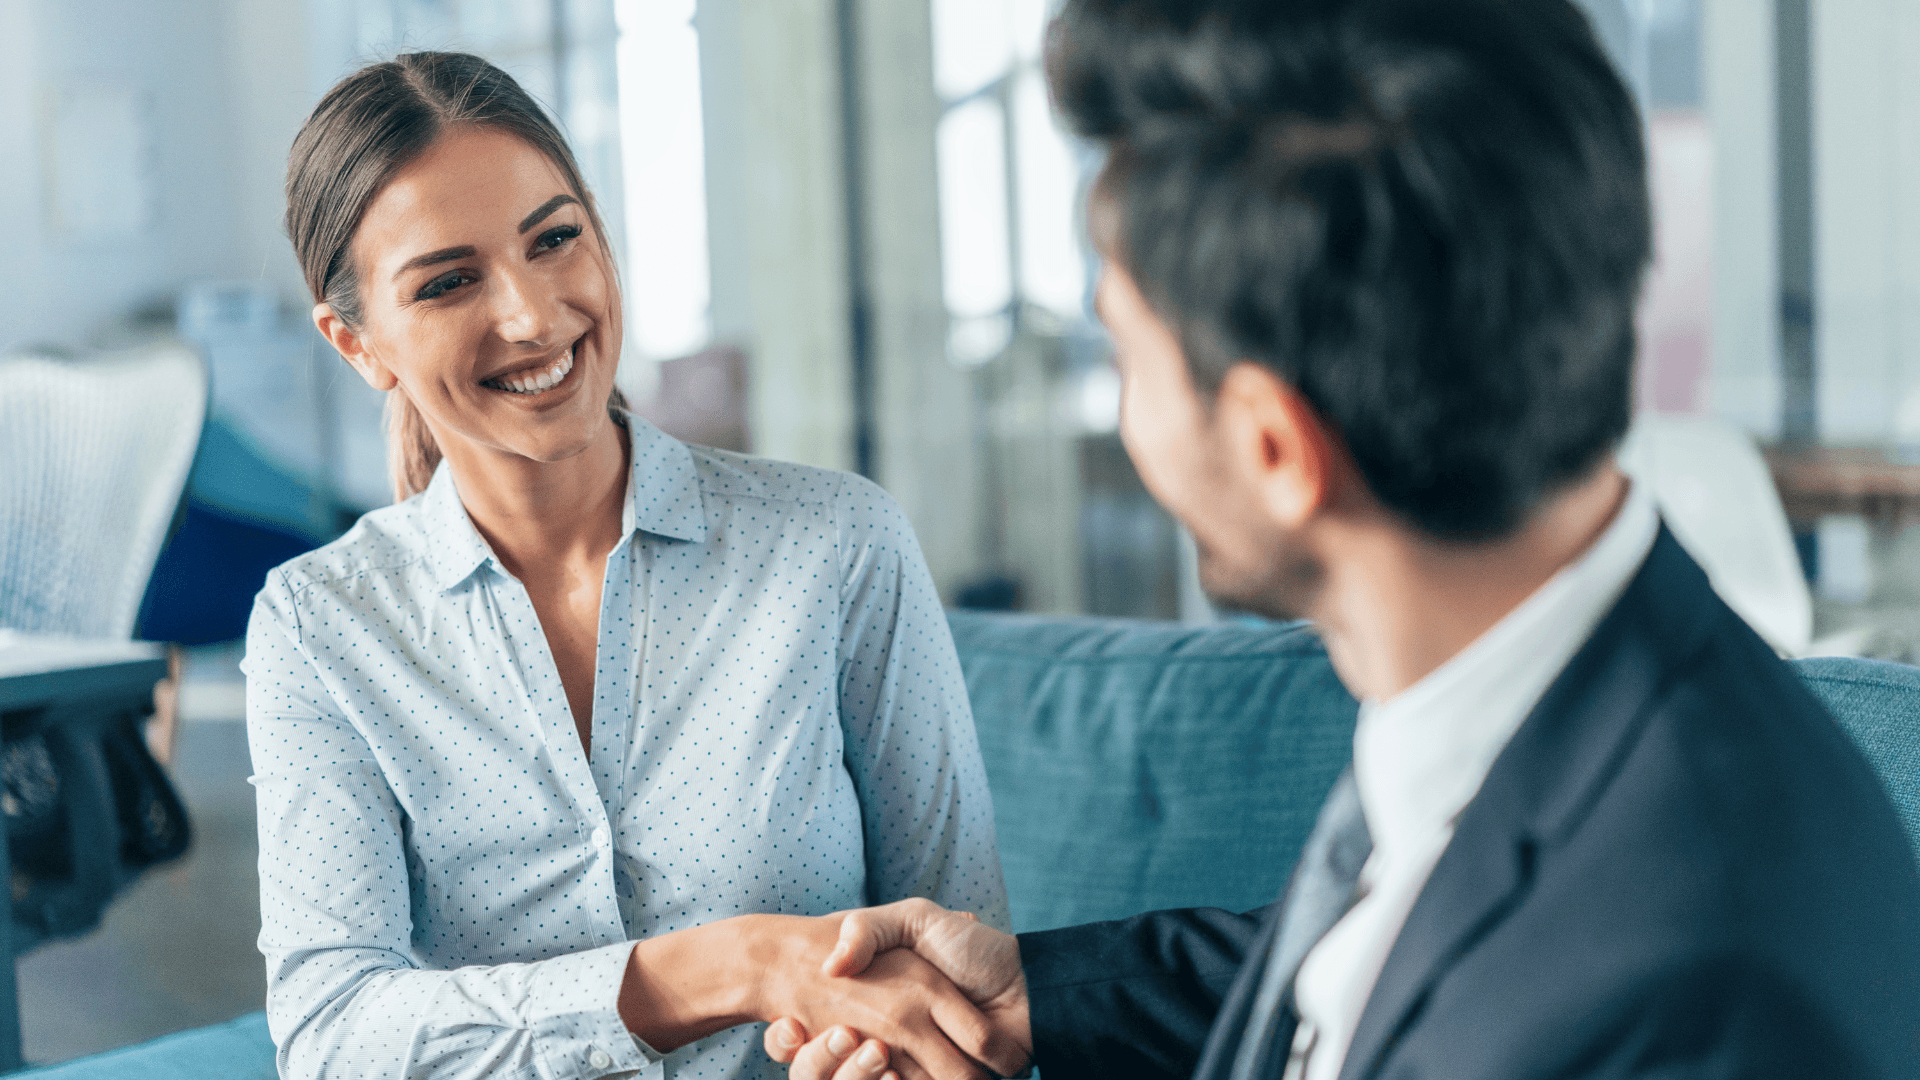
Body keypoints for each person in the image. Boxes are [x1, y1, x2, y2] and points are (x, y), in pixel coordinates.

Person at [768, 1, 1920, 1078]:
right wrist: (1037, 996)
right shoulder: (1527, 702)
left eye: (1126, 356)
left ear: (1277, 449)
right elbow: (1416, 941)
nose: (1126, 420)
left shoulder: (1690, 989)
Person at [245, 52, 1026, 1080]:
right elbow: (333, 1032)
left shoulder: (837, 544)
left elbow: (971, 984)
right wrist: (730, 965)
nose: (531, 316)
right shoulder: (323, 627)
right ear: (358, 345)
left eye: (555, 239)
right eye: (448, 281)